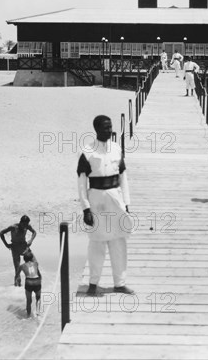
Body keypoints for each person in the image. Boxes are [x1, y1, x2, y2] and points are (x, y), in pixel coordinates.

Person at [77, 115, 134, 296]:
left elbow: (123, 176)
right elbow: (81, 183)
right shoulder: (87, 152)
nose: (108, 131)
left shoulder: (117, 149)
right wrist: (86, 208)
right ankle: (93, 284)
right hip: (97, 201)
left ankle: (120, 283)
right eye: (104, 128)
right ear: (96, 129)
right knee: (97, 243)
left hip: (116, 199)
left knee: (119, 242)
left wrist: (126, 203)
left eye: (110, 127)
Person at [0, 215, 37, 286]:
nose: (25, 226)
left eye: (26, 225)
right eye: (24, 224)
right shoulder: (13, 227)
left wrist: (31, 240)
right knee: (17, 268)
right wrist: (6, 244)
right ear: (20, 222)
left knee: (33, 262)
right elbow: (1, 233)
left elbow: (34, 232)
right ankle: (17, 285)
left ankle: (33, 281)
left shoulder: (27, 226)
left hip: (24, 246)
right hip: (15, 248)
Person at [16, 251, 42, 318]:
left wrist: (17, 280)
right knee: (38, 298)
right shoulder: (36, 263)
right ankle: (38, 314)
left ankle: (28, 316)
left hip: (29, 283)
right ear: (32, 258)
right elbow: (34, 259)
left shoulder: (22, 266)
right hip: (37, 282)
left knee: (29, 300)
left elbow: (17, 275)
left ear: (24, 259)